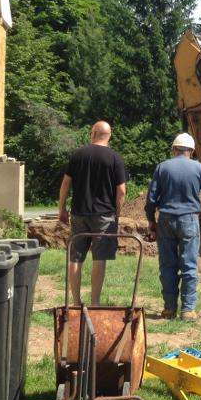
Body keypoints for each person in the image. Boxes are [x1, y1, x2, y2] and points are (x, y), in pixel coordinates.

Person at [145, 132, 201, 320]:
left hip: (166, 220)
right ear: (192, 151)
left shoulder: (162, 167)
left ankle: (169, 309)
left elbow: (151, 199)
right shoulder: (198, 168)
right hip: (188, 220)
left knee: (167, 265)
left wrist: (151, 221)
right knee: (189, 265)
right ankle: (187, 310)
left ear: (174, 149)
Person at [58, 121, 127, 306]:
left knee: (75, 257)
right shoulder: (115, 157)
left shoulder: (78, 155)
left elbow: (65, 184)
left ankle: (76, 302)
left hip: (79, 213)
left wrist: (62, 209)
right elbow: (121, 191)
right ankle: (95, 302)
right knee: (99, 258)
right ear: (109, 136)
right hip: (104, 215)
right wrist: (117, 213)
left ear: (93, 133)